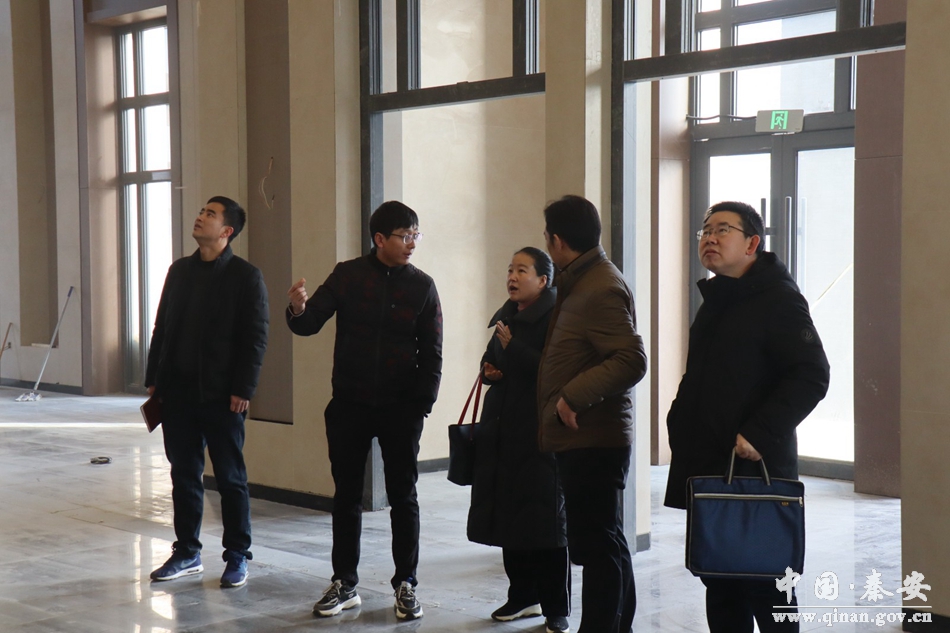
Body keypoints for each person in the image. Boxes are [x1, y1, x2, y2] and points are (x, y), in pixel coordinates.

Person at [664, 201, 830, 633]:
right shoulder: (717, 299)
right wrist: (679, 422)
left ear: (752, 243)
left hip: (756, 465)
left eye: (723, 230)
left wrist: (758, 432)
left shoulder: (778, 299)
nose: (710, 238)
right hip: (710, 461)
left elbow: (812, 374)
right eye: (705, 231)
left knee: (766, 581)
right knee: (719, 578)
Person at [286, 200, 442, 621]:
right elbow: (309, 323)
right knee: (347, 497)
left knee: (403, 497)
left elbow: (432, 353)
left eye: (415, 235)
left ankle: (406, 583)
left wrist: (420, 407)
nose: (412, 243)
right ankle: (344, 582)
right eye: (404, 236)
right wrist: (298, 307)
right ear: (379, 239)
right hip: (350, 404)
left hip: (400, 408)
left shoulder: (422, 286)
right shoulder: (348, 275)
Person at [145, 196, 269, 589]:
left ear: (227, 231)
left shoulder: (246, 277)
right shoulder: (179, 271)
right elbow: (162, 327)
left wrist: (243, 388)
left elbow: (255, 338)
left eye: (210, 214)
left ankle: (237, 555)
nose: (200, 217)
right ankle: (187, 552)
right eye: (202, 212)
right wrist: (154, 378)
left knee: (230, 478)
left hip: (222, 396)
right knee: (184, 474)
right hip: (177, 393)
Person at [537, 195, 647, 633]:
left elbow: (631, 359)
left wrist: (571, 397)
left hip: (593, 436)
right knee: (606, 540)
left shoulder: (599, 286)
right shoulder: (581, 279)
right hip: (585, 436)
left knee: (598, 546)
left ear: (558, 241)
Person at [467, 247, 571, 633]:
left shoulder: (557, 318)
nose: (512, 276)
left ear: (543, 280)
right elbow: (490, 359)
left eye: (521, 270)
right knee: (510, 518)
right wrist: (489, 370)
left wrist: (514, 349)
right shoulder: (507, 315)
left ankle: (556, 607)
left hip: (540, 433)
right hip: (503, 431)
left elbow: (554, 371)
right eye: (510, 269)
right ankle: (522, 595)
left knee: (546, 522)